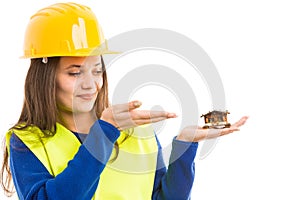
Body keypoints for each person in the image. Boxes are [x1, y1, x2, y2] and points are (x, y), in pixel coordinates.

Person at [0, 2, 248, 199]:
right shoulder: (27, 141)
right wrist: (103, 133)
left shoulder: (138, 132)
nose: (90, 84)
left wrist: (184, 148)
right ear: (44, 77)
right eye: (74, 72)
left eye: (97, 70)